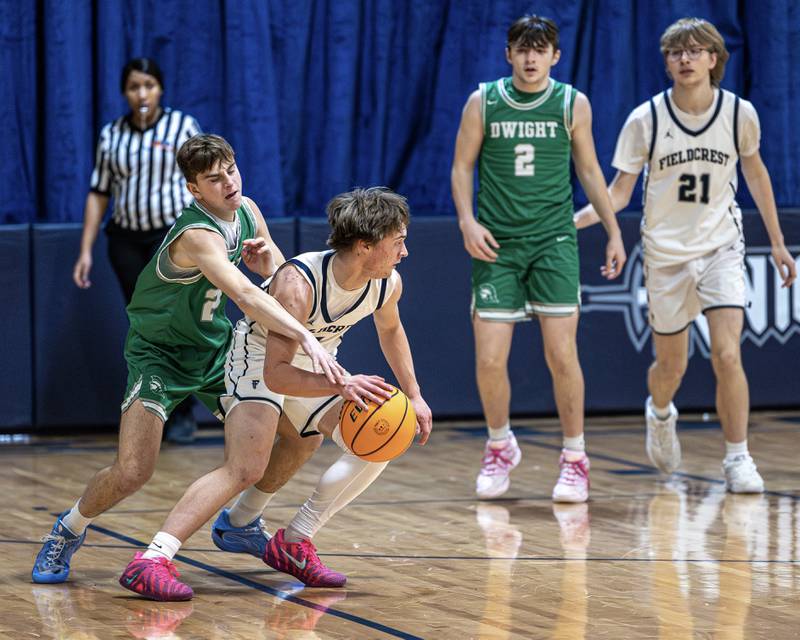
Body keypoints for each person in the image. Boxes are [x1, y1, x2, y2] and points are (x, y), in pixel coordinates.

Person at [32, 134, 346, 589]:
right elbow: (241, 295)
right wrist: (303, 336)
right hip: (159, 355)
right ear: (195, 190)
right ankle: (69, 528)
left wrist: (270, 265)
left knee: (302, 434)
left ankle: (242, 519)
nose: (228, 183)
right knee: (133, 471)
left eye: (231, 171)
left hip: (216, 348)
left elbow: (280, 277)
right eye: (214, 179)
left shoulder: (248, 210)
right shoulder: (197, 234)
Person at [121, 187, 432, 600]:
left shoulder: (386, 283)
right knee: (245, 467)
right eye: (399, 242)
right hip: (255, 360)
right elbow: (279, 375)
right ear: (364, 246)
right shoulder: (298, 284)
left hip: (317, 365)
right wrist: (343, 383)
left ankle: (295, 538)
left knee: (384, 433)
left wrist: (414, 395)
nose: (404, 252)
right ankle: (152, 559)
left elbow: (391, 330)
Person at [574, 18, 797, 491]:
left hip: (721, 247)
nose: (685, 59)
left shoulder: (740, 114)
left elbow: (757, 177)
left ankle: (738, 458)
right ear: (667, 62)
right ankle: (659, 412)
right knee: (670, 368)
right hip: (665, 255)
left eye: (695, 51)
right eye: (676, 53)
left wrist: (777, 242)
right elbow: (616, 194)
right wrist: (570, 222)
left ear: (714, 59)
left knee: (727, 354)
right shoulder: (646, 119)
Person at [451, 15, 626, 503]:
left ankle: (575, 458)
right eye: (522, 49)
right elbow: (462, 166)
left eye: (540, 49)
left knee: (561, 354)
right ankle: (500, 444)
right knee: (488, 357)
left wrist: (613, 230)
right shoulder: (483, 101)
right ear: (509, 54)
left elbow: (590, 170)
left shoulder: (572, 103)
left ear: (555, 55)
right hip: (497, 244)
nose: (530, 58)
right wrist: (467, 220)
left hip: (553, 240)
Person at [74, 57, 201, 443]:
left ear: (160, 88)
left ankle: (182, 412)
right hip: (126, 241)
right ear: (125, 92)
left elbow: (204, 180)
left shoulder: (183, 127)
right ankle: (150, 410)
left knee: (177, 323)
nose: (142, 93)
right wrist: (85, 250)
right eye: (134, 87)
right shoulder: (112, 135)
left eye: (148, 85)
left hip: (171, 240)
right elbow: (99, 193)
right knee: (145, 328)